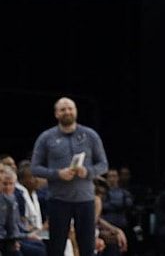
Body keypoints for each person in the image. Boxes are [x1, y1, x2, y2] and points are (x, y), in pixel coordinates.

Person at [30, 96, 109, 256]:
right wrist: (57, 174)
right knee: (56, 247)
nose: (67, 112)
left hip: (85, 200)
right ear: (56, 114)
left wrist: (87, 172)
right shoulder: (46, 137)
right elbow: (35, 168)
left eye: (70, 108)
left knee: (87, 247)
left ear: (76, 111)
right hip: (58, 200)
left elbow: (103, 165)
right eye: (63, 109)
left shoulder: (90, 135)